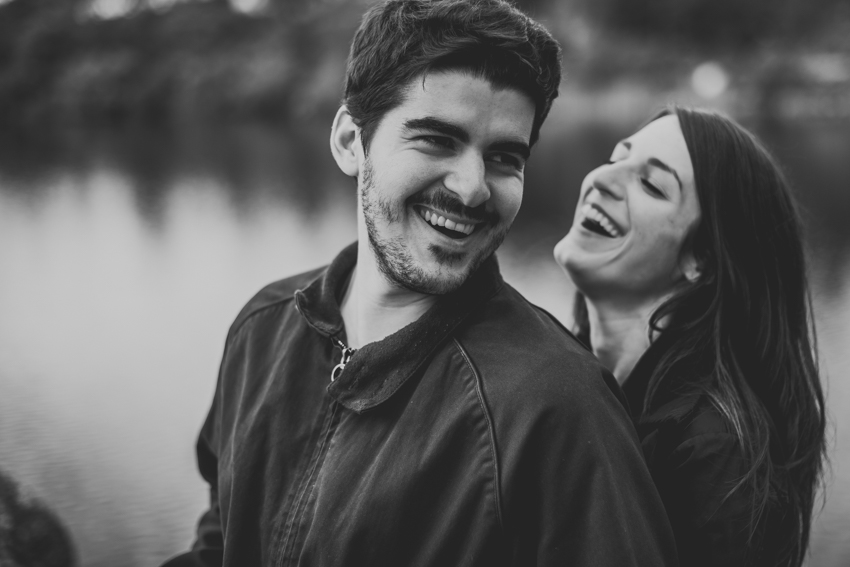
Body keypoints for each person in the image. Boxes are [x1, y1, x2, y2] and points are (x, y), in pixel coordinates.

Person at [162, 1, 679, 566]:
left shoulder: (554, 406)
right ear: (349, 142)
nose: (472, 188)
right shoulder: (262, 325)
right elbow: (222, 532)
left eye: (505, 157)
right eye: (436, 139)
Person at [554, 106, 827, 567]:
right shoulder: (572, 380)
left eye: (651, 185)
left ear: (701, 259)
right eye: (617, 157)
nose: (602, 179)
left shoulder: (714, 456)